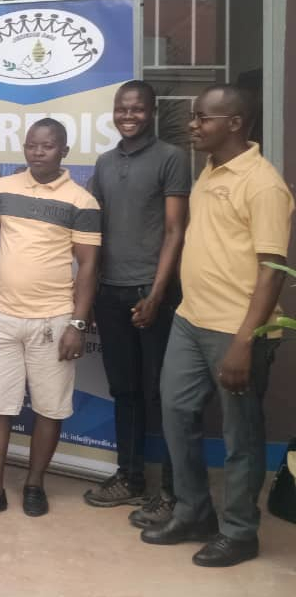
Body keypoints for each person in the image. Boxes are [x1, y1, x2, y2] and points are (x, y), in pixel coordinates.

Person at [141, 85, 293, 567]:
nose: (193, 125)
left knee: (240, 436)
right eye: (193, 117)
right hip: (191, 320)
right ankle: (193, 513)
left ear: (235, 123)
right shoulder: (209, 170)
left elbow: (273, 269)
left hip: (237, 330)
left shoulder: (263, 184)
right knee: (176, 414)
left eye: (203, 118)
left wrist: (246, 341)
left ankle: (240, 532)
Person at [0, 118, 100, 522]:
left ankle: (35, 484)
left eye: (48, 146)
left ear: (64, 152)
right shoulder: (1, 190)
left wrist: (77, 324)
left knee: (48, 409)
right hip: (2, 316)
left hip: (53, 321)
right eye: (32, 145)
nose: (38, 152)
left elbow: (89, 267)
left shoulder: (82, 201)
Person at [83, 80, 190, 527]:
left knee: (165, 395)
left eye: (138, 109)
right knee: (124, 390)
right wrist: (89, 294)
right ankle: (130, 478)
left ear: (152, 111)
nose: (129, 116)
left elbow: (175, 231)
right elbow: (92, 230)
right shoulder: (105, 163)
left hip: (154, 294)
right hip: (111, 293)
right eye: (122, 109)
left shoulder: (171, 158)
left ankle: (171, 491)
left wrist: (157, 292)